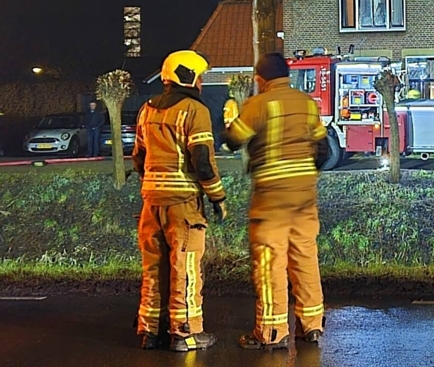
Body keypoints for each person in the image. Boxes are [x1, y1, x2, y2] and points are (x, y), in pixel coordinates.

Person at [223, 53, 329, 350]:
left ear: (261, 78)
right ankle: (312, 326)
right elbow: (322, 150)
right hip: (305, 197)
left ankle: (272, 331)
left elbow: (233, 139)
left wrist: (231, 118)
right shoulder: (307, 103)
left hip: (271, 200)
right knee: (305, 258)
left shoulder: (258, 105)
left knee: (271, 263)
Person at [133, 50, 227, 352]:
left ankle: (150, 331)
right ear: (189, 77)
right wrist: (217, 197)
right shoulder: (193, 111)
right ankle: (185, 333)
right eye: (199, 76)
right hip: (183, 203)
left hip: (151, 201)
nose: (201, 82)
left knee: (154, 268)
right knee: (184, 267)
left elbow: (138, 158)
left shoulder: (146, 110)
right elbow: (202, 162)